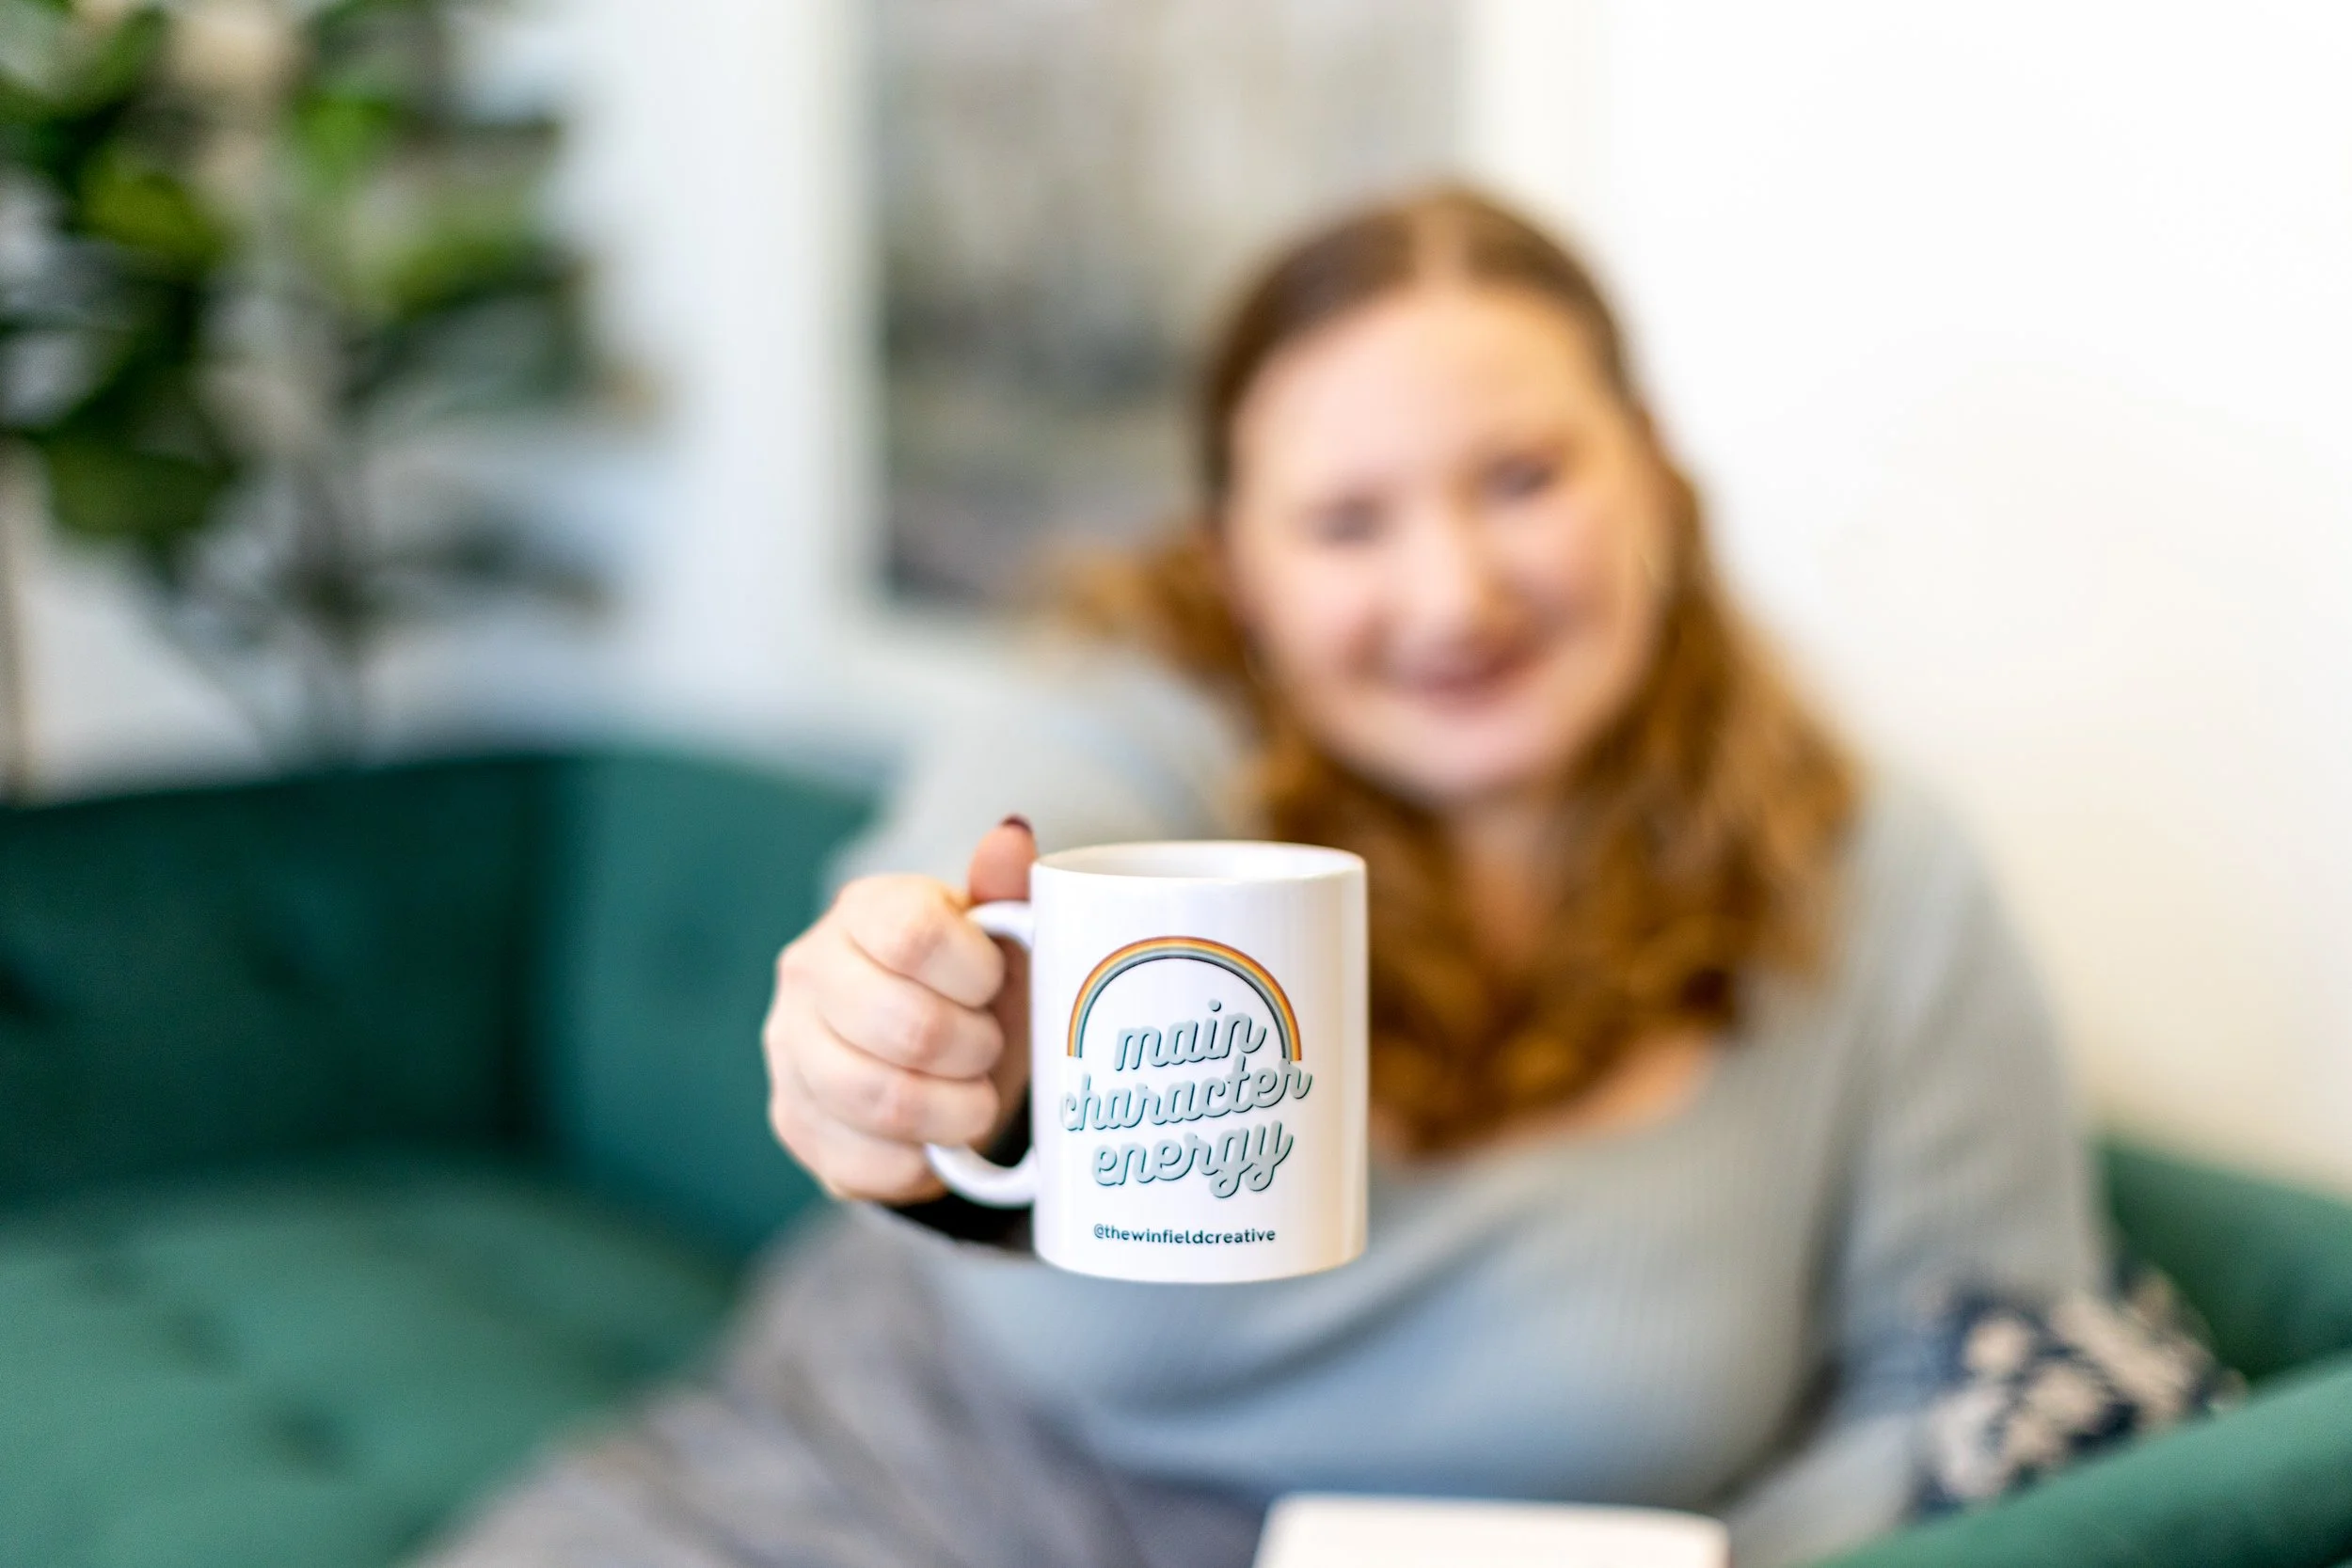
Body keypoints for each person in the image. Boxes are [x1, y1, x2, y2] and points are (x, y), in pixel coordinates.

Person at [421, 187, 2108, 1568]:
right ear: (1237, 565)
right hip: (859, 1501)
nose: (1452, 594)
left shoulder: (1881, 887)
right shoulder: (1138, 754)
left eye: (1523, 480)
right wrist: (917, 1047)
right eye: (1348, 523)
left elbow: (1975, 1390)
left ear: (1650, 472)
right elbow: (955, 895)